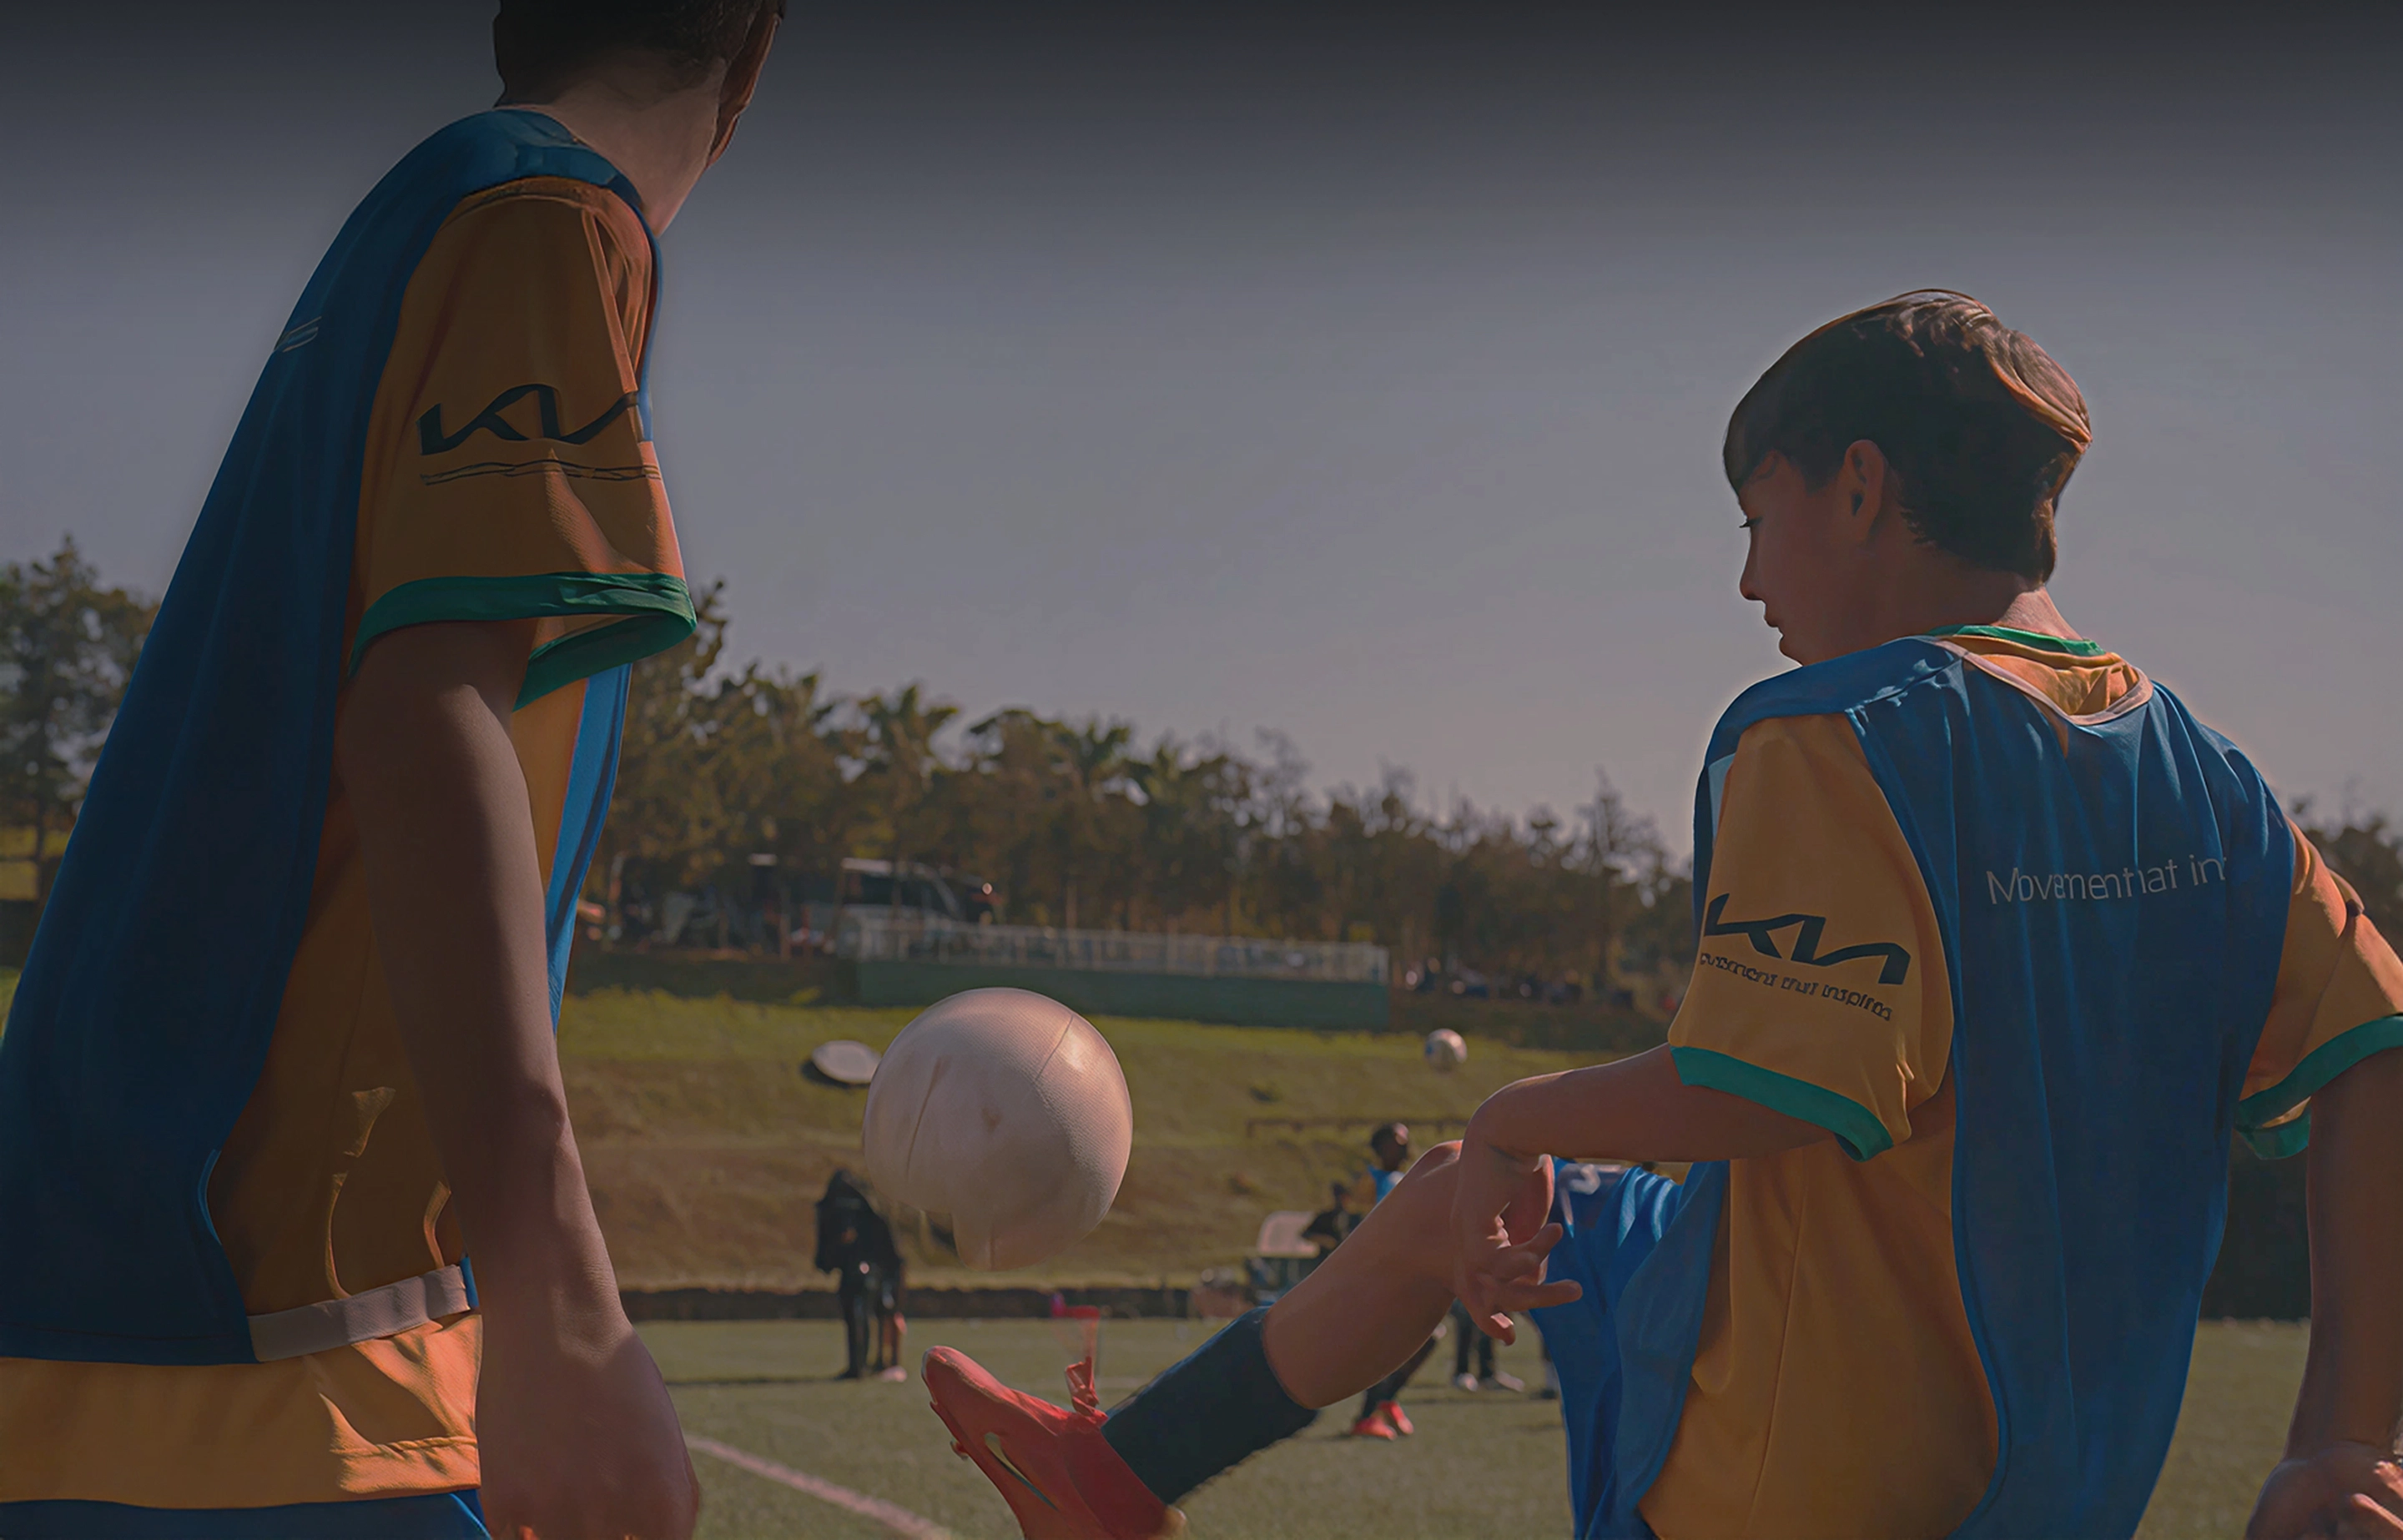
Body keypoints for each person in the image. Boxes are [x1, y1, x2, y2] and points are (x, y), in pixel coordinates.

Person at [920, 292, 2403, 1540]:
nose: (1751, 579)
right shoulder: (2210, 781)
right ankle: (1113, 1475)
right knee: (1454, 1195)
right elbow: (2375, 1055)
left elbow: (1768, 1089)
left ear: (1864, 489)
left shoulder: (1838, 731)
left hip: (1803, 1470)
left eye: (1761, 520)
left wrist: (1522, 1107)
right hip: (2067, 1487)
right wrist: (2341, 1440)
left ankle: (1113, 1476)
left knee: (1483, 1160)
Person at [0, 0, 783, 1539]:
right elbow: (424, 717)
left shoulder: (413, 226)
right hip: (259, 1328)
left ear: (517, 22)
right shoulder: (542, 212)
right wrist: (565, 1302)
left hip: (121, 1299)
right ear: (754, 64)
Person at [1340, 1124, 1439, 1440]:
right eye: (1397, 1141)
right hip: (1381, 1274)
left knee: (1429, 1336)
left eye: (1407, 1140)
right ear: (1381, 1146)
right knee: (1391, 1343)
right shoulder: (1371, 1182)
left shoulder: (1402, 1180)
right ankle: (1367, 1416)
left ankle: (1385, 1401)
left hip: (1404, 1271)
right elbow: (1364, 1227)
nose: (1405, 1146)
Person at [816, 1170, 908, 1382]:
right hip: (865, 1273)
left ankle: (872, 1364)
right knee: (861, 1317)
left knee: (865, 1317)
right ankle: (863, 1364)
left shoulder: (860, 1212)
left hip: (869, 1274)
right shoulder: (862, 1208)